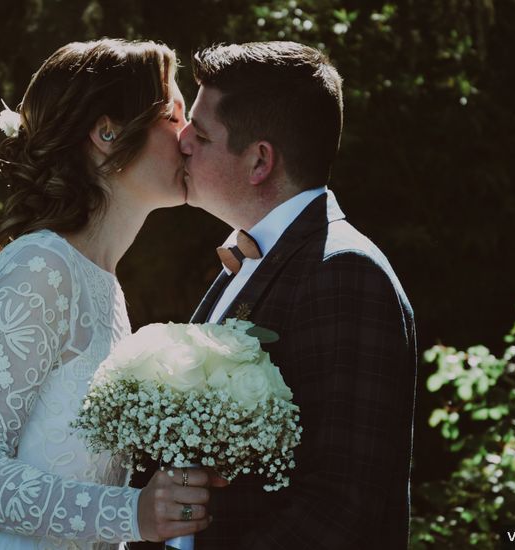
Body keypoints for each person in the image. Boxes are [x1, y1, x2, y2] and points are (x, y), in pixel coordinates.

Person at [0, 39, 225, 550]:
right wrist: (131, 512)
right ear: (108, 133)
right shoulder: (38, 266)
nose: (189, 137)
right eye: (172, 116)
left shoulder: (106, 286)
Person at [135, 41, 417, 548]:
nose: (182, 144)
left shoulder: (343, 273)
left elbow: (341, 506)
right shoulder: (246, 261)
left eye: (200, 135)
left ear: (260, 160)